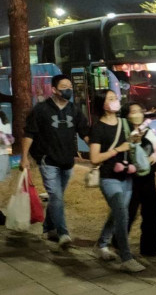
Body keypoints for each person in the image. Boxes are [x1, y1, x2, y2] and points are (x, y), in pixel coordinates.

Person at [21, 74, 90, 248]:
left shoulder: (74, 110)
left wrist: (98, 150)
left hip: (67, 161)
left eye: (70, 87)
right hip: (48, 161)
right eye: (64, 87)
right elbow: (29, 134)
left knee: (56, 198)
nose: (68, 90)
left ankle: (48, 228)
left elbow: (85, 132)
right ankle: (63, 233)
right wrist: (24, 157)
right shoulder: (41, 110)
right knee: (56, 197)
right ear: (53, 89)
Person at [89, 89, 145, 273]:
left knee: (117, 213)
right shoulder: (98, 128)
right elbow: (95, 158)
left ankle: (101, 243)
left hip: (126, 176)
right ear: (102, 104)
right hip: (108, 177)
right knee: (121, 213)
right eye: (110, 98)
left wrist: (135, 139)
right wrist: (117, 149)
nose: (115, 101)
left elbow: (132, 143)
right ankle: (126, 257)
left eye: (116, 97)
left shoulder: (124, 122)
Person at [124, 103, 156, 257]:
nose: (137, 114)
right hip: (130, 179)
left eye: (139, 111)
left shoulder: (148, 132)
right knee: (129, 212)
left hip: (148, 178)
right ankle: (118, 242)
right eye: (133, 111)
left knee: (150, 213)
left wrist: (153, 158)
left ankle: (149, 248)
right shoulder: (125, 132)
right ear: (127, 115)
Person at [0, 111, 13, 183]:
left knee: (3, 177)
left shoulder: (4, 120)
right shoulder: (5, 119)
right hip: (4, 152)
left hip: (3, 152)